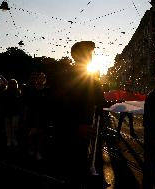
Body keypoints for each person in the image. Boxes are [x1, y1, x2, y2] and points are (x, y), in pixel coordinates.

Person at [51, 41, 109, 188]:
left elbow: (98, 101)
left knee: (83, 162)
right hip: (71, 131)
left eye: (91, 53)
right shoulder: (64, 77)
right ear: (76, 55)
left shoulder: (92, 77)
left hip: (88, 129)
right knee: (72, 168)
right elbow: (58, 106)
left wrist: (119, 103)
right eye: (88, 53)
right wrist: (76, 126)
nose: (91, 56)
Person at [1, 79, 22, 147]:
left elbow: (20, 103)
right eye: (11, 83)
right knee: (8, 127)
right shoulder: (5, 92)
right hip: (7, 112)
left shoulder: (18, 92)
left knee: (14, 127)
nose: (12, 85)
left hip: (15, 112)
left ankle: (14, 139)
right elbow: (3, 103)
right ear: (9, 84)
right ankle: (9, 140)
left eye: (14, 83)